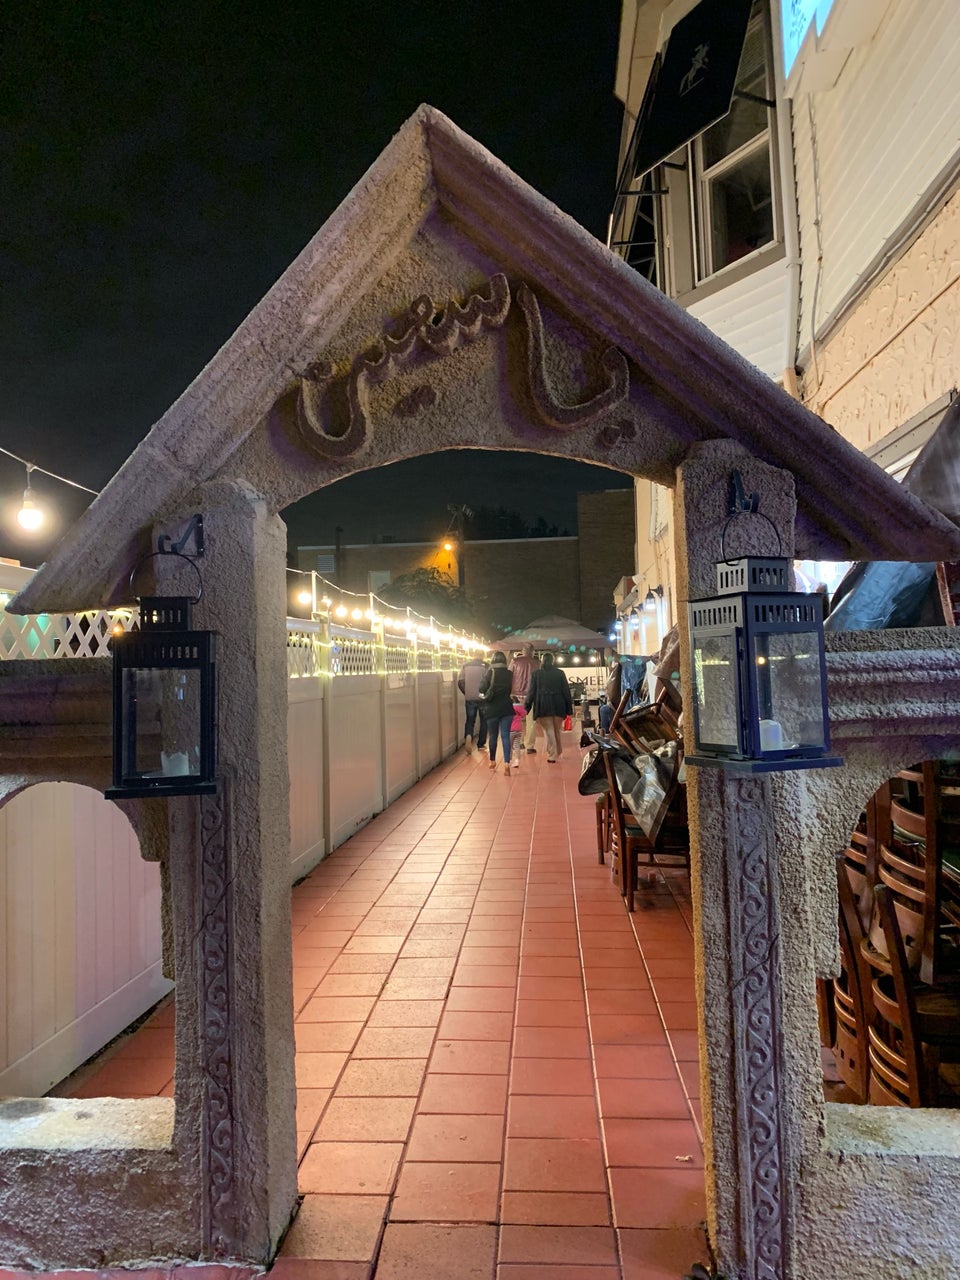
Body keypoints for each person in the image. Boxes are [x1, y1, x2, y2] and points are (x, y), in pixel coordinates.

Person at [525, 651, 572, 764]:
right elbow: (566, 691)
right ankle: (557, 750)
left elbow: (531, 692)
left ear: (542, 660)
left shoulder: (536, 674)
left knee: (549, 730)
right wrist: (569, 709)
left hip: (543, 705)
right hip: (558, 704)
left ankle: (552, 754)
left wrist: (527, 706)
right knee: (556, 730)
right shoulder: (560, 673)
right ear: (553, 661)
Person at [478, 651, 515, 773]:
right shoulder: (509, 674)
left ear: (493, 660)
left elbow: (481, 689)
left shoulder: (490, 672)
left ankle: (492, 761)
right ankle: (506, 763)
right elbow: (510, 689)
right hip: (507, 708)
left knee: (493, 735)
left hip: (492, 709)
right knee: (505, 736)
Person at [509, 642, 541, 753]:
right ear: (533, 652)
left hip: (515, 695)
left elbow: (509, 676)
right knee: (531, 721)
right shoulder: (537, 663)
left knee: (517, 719)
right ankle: (530, 746)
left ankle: (518, 742)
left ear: (522, 651)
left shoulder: (514, 661)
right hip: (532, 696)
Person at [457, 652, 489, 752]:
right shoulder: (486, 666)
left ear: (473, 656)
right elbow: (489, 682)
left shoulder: (465, 666)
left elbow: (460, 682)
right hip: (482, 697)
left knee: (470, 720)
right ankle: (481, 744)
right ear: (482, 656)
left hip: (470, 697)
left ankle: (468, 736)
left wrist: (466, 692)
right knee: (484, 721)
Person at [509, 701, 527, 770]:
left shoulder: (508, 708)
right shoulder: (519, 707)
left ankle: (509, 760)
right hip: (518, 730)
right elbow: (524, 713)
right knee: (517, 745)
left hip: (510, 730)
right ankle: (517, 760)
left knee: (509, 746)